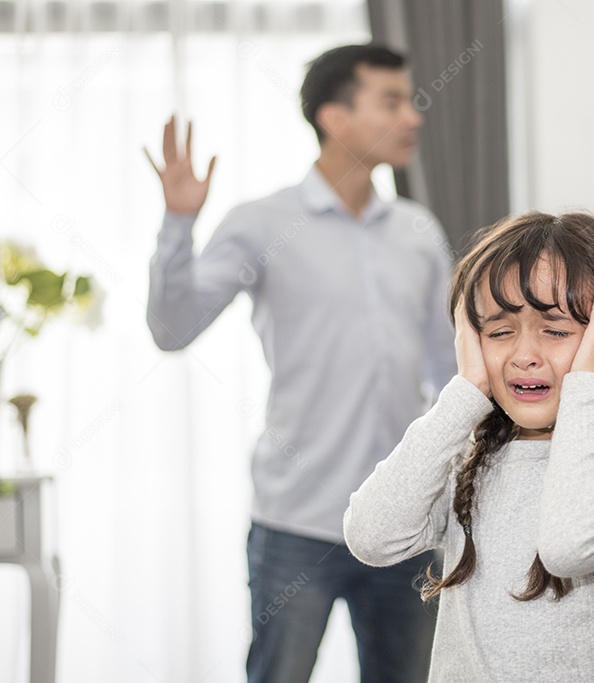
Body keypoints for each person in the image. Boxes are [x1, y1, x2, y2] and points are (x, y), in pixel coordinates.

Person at [144, 45, 455, 683]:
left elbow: (449, 368)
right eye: (392, 102)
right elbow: (172, 329)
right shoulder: (261, 222)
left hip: (405, 522)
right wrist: (179, 224)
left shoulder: (419, 230)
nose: (414, 116)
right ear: (333, 118)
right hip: (296, 524)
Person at [344, 212, 594, 681]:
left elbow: (570, 547)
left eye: (557, 331)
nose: (524, 355)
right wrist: (466, 390)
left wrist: (590, 385)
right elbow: (371, 535)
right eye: (500, 332)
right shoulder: (467, 459)